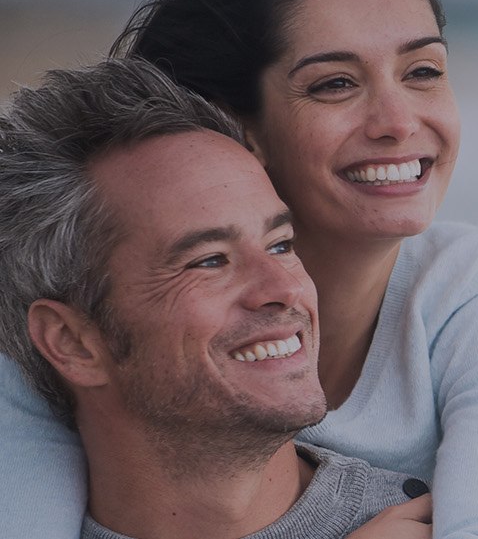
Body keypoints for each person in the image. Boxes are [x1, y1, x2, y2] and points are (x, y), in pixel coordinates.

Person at [0, 0, 478, 539]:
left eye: (423, 70)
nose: (397, 122)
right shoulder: (63, 324)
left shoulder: (469, 287)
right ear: (234, 127)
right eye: (335, 83)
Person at [0, 60, 433, 539]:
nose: (284, 289)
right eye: (209, 261)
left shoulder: (450, 523)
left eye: (281, 245)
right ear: (73, 342)